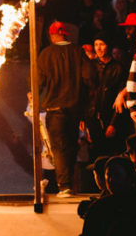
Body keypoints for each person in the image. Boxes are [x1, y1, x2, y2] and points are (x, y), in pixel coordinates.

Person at [37, 21, 95, 197]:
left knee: (59, 147)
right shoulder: (78, 52)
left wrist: (35, 93)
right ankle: (68, 182)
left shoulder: (46, 54)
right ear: (66, 34)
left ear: (52, 35)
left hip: (55, 108)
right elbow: (90, 77)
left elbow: (38, 81)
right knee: (71, 145)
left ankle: (64, 185)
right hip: (75, 108)